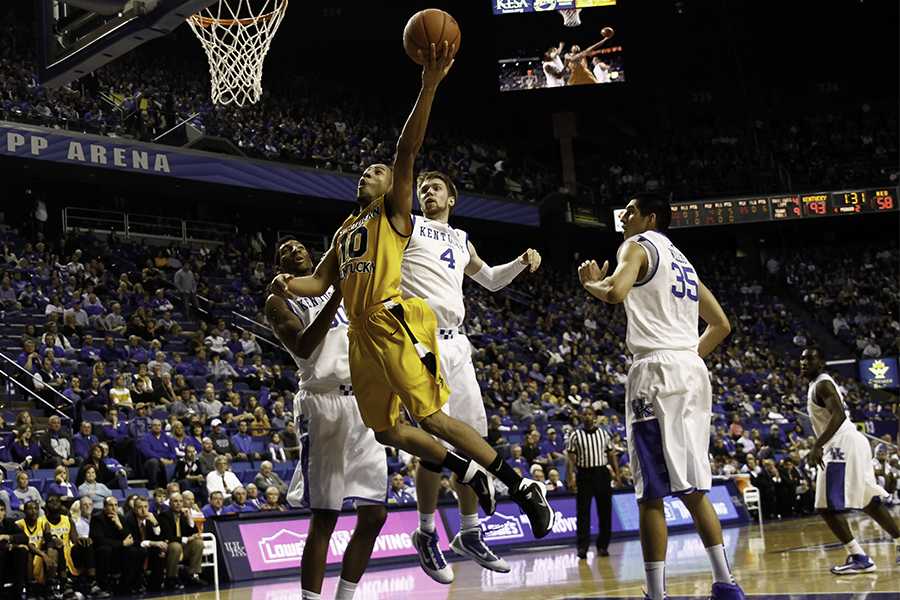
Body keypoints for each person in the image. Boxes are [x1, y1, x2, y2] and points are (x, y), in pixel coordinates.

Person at [271, 42, 552, 559]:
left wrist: (428, 85)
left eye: (377, 172)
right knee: (385, 430)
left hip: (393, 322)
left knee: (436, 418)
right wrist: (289, 286)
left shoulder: (394, 216)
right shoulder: (345, 230)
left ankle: (521, 485)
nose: (368, 174)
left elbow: (407, 152)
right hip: (360, 335)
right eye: (365, 172)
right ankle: (465, 469)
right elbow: (318, 282)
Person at [578, 193, 744, 600]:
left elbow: (615, 292)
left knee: (651, 491)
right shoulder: (683, 262)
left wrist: (590, 285)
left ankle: (655, 594)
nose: (624, 217)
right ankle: (725, 583)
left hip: (655, 371)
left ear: (650, 218)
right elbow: (721, 325)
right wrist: (685, 356)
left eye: (631, 211)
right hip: (691, 373)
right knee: (693, 488)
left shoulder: (634, 246)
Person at [400, 169, 541, 580]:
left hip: (457, 343)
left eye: (435, 188)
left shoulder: (461, 239)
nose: (427, 193)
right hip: (421, 340)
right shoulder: (408, 227)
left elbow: (492, 280)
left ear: (452, 199)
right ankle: (426, 532)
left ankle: (469, 531)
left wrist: (520, 262)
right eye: (423, 189)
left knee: (473, 442)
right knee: (433, 441)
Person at [266, 238, 388, 600]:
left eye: (298, 244)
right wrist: (337, 294)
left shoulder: (343, 284)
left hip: (363, 399)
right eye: (285, 249)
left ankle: (345, 596)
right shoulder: (280, 299)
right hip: (322, 401)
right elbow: (304, 345)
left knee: (375, 514)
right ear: (279, 265)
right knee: (325, 516)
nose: (294, 248)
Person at [800, 347, 900, 573]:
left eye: (810, 359)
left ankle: (859, 557)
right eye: (802, 359)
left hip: (841, 445)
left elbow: (839, 415)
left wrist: (818, 445)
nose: (804, 363)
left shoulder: (823, 384)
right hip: (853, 442)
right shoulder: (817, 385)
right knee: (868, 500)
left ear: (822, 362)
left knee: (825, 506)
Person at [566, 406, 617, 559]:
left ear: (594, 417)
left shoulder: (603, 433)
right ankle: (582, 548)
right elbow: (570, 458)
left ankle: (603, 546)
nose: (587, 417)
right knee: (583, 513)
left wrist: (617, 473)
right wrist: (570, 477)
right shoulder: (575, 435)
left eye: (590, 414)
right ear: (581, 417)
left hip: (601, 473)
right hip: (584, 474)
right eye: (585, 414)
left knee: (605, 511)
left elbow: (611, 453)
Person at [90, 496, 145, 595]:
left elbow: (129, 538)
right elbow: (99, 540)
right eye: (111, 505)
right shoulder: (97, 518)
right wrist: (121, 543)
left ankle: (129, 584)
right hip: (104, 550)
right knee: (105, 550)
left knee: (138, 551)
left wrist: (119, 526)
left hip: (119, 549)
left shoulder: (120, 518)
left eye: (116, 505)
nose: (114, 508)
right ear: (105, 507)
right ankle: (103, 586)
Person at [157, 493, 205, 589]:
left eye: (180, 501)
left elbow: (194, 532)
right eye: (175, 501)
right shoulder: (164, 516)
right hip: (168, 549)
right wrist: (186, 539)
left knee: (198, 543)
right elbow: (168, 536)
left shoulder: (183, 515)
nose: (178, 504)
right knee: (176, 546)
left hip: (183, 548)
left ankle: (193, 575)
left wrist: (189, 518)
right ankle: (171, 578)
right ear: (170, 503)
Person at [124, 496, 167, 592]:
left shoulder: (153, 516)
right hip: (134, 548)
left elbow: (160, 537)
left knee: (161, 551)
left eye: (146, 507)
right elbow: (131, 541)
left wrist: (155, 523)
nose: (144, 510)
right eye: (140, 507)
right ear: (134, 509)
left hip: (149, 547)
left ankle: (156, 584)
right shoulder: (128, 519)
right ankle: (135, 584)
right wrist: (151, 543)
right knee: (138, 552)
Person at [0, 501, 29, 600]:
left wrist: (8, 537)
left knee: (22, 551)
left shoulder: (8, 522)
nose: (0, 513)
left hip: (8, 557)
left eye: (2, 510)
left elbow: (25, 538)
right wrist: (9, 546)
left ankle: (18, 591)